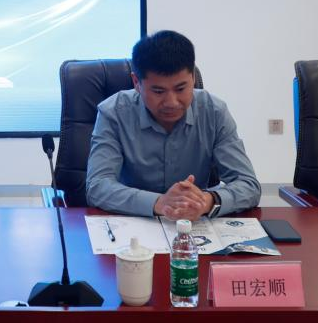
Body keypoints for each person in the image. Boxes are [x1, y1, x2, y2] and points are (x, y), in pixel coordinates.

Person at [86, 30, 260, 218]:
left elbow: (248, 185)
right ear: (136, 82)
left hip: (193, 224)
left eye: (180, 88)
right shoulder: (113, 113)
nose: (171, 102)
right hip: (132, 223)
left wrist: (206, 201)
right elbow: (97, 187)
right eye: (158, 91)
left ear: (193, 78)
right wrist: (158, 202)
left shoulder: (214, 112)